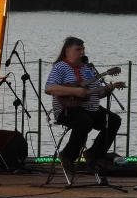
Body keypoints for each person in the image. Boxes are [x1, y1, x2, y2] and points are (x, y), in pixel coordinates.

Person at [44, 36, 121, 176]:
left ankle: (94, 154)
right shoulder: (60, 67)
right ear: (68, 51)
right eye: (78, 49)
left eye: (83, 49)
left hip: (90, 109)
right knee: (84, 122)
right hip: (67, 110)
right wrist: (74, 91)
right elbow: (49, 88)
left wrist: (107, 90)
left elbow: (97, 93)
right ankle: (68, 155)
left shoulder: (87, 69)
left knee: (114, 120)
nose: (82, 52)